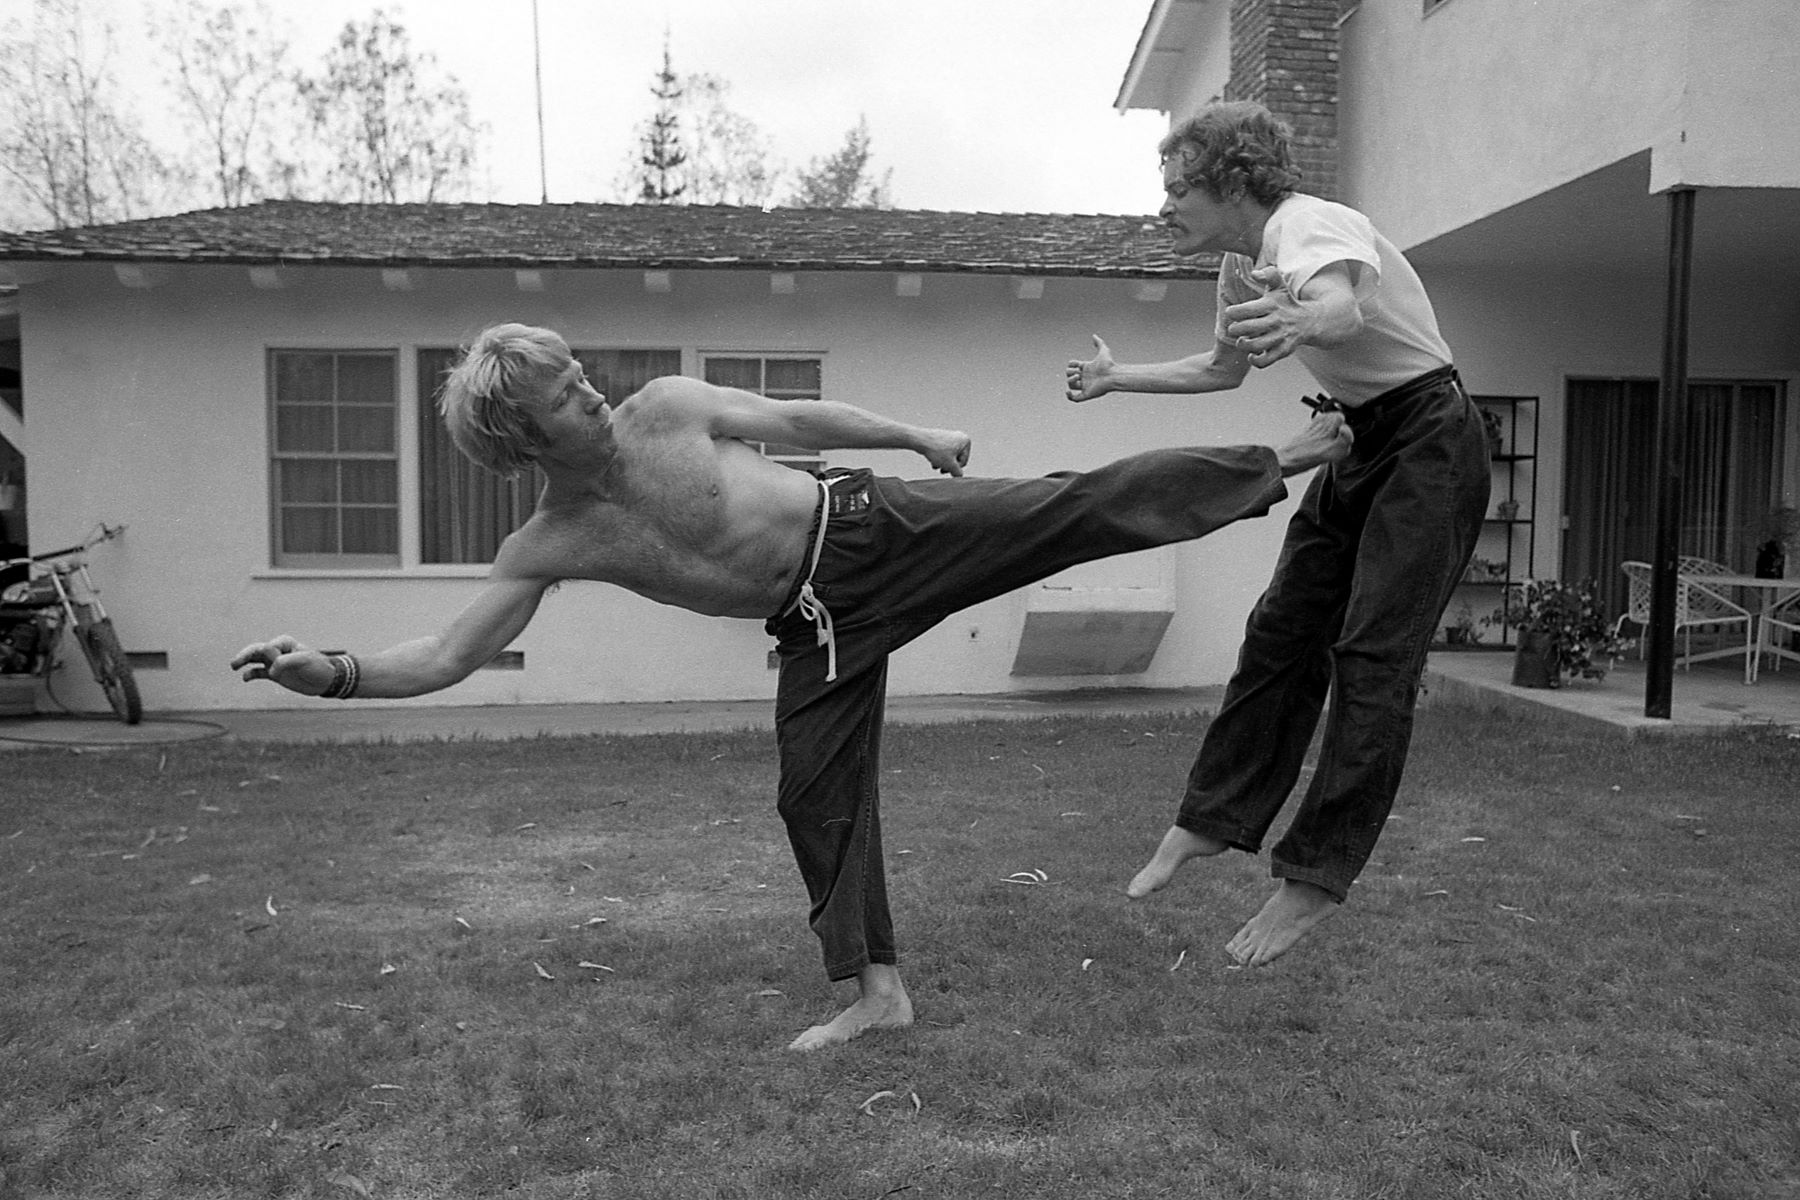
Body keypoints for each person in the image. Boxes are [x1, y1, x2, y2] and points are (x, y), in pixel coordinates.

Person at [232, 321, 1351, 1050]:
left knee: (1063, 509)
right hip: (814, 624)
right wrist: (326, 674)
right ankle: (875, 989)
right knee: (811, 793)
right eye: (565, 393)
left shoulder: (667, 407)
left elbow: (803, 423)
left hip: (874, 527)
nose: (591, 389)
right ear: (521, 434)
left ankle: (1286, 460)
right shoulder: (552, 541)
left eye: (580, 371)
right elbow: (444, 658)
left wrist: (915, 432)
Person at [1066, 101, 1491, 967]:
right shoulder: (1240, 266)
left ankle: (1315, 878)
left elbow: (1337, 306)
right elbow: (1222, 369)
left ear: (1233, 181)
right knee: (1280, 631)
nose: (1166, 205)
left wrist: (1301, 321)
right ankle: (1212, 819)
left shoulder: (1310, 225)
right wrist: (1119, 380)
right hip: (1360, 437)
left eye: (1180, 187)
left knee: (1372, 654)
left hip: (1431, 440)